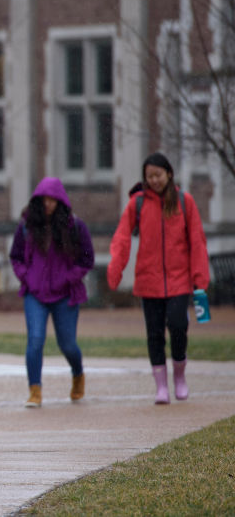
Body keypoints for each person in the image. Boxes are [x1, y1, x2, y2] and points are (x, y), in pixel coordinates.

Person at [106, 153, 210, 404]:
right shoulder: (138, 204)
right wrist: (115, 269)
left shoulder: (185, 202)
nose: (153, 180)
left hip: (179, 280)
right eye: (149, 176)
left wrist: (200, 279)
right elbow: (121, 238)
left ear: (169, 174)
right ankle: (161, 387)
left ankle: (180, 376)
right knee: (154, 334)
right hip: (149, 281)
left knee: (177, 327)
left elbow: (197, 242)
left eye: (158, 175)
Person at [9, 177, 94, 408]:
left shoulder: (75, 226)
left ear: (60, 201)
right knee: (35, 340)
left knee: (67, 344)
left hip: (65, 294)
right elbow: (15, 256)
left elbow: (87, 259)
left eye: (52, 199)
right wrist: (26, 276)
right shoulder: (27, 225)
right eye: (43, 199)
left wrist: (68, 277)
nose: (47, 203)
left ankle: (78, 374)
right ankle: (34, 389)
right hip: (34, 294)